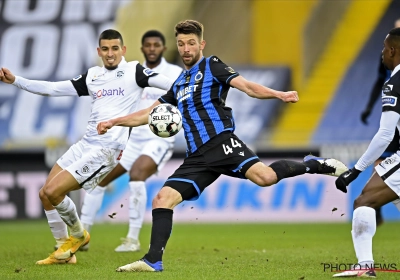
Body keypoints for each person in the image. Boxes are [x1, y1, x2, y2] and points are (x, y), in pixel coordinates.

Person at [96, 20, 348, 272]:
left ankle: (313, 164)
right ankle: (152, 260)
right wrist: (115, 121)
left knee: (266, 178)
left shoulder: (212, 65)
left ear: (201, 44)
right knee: (162, 199)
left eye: (191, 43)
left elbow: (248, 87)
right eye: (181, 44)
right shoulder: (179, 83)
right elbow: (147, 114)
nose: (186, 49)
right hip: (197, 157)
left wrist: (279, 94)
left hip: (222, 143)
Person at [0, 29, 173, 265]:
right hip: (85, 144)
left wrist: (175, 101)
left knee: (54, 192)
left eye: (115, 48)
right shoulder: (93, 76)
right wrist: (16, 80)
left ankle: (80, 235)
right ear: (99, 51)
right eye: (105, 49)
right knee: (45, 195)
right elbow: (52, 89)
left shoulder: (134, 71)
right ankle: (64, 251)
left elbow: (171, 84)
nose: (110, 54)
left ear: (123, 50)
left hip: (106, 149)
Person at [78, 30, 182, 252]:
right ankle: (82, 235)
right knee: (98, 181)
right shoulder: (132, 72)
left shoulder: (173, 73)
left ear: (163, 49)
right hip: (132, 140)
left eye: (156, 45)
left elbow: (185, 94)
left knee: (137, 175)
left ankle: (132, 238)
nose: (152, 48)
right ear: (142, 48)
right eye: (148, 45)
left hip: (158, 140)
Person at [333, 27, 400, 278]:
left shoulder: (394, 83)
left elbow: (385, 134)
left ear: (393, 50)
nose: (382, 53)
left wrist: (356, 169)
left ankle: (365, 265)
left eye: (384, 48)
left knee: (364, 201)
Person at [360, 18, 400, 226]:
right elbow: (379, 80)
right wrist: (368, 107)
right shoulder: (386, 57)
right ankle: (374, 206)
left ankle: (371, 202)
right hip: (393, 110)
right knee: (380, 161)